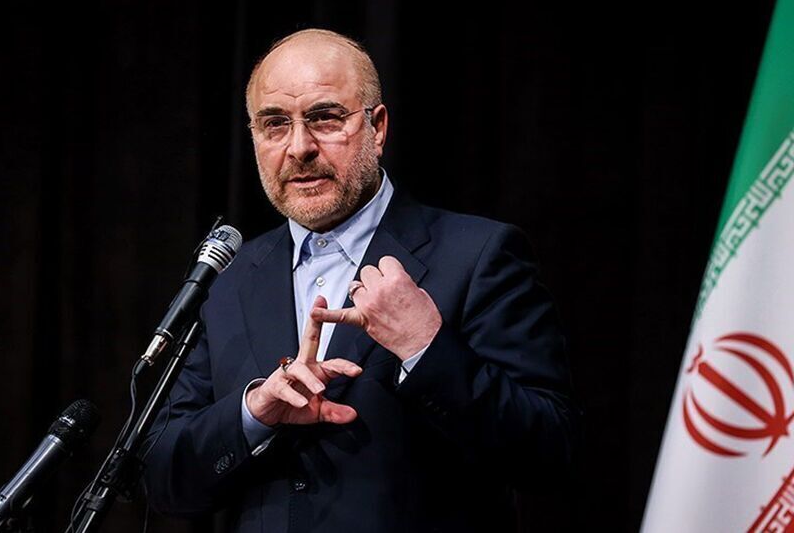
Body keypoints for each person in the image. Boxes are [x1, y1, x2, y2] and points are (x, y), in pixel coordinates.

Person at [142, 28, 580, 533]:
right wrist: (254, 413)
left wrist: (425, 348)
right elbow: (164, 479)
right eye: (275, 124)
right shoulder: (230, 278)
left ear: (377, 127)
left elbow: (551, 452)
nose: (299, 147)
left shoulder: (478, 254)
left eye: (325, 118)